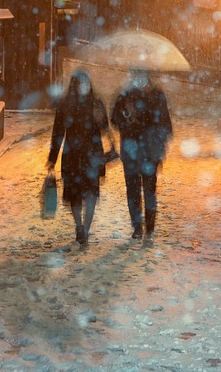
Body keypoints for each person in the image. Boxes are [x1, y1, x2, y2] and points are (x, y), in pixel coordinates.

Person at [46, 70, 111, 246]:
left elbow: (104, 128)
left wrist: (100, 118)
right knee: (75, 195)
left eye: (86, 84)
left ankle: (85, 230)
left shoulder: (96, 103)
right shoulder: (66, 105)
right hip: (73, 157)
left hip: (93, 155)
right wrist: (52, 158)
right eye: (80, 84)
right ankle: (79, 226)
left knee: (91, 195)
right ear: (74, 86)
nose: (84, 87)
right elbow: (58, 133)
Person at [111, 67, 172, 240]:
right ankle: (137, 226)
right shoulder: (125, 95)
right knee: (133, 191)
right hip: (131, 150)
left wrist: (159, 146)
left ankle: (149, 227)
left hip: (149, 152)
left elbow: (165, 124)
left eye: (142, 74)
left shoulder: (156, 95)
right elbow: (114, 119)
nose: (140, 78)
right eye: (137, 74)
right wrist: (126, 116)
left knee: (149, 190)